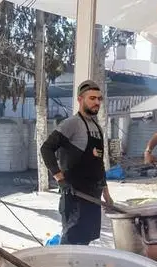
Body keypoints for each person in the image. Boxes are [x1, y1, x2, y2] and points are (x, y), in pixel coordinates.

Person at [39, 80, 113, 245]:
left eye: (99, 99)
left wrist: (106, 194)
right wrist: (60, 179)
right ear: (80, 99)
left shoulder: (97, 127)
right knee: (71, 242)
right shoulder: (71, 124)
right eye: (92, 98)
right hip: (74, 196)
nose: (97, 102)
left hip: (93, 196)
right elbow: (46, 148)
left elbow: (99, 164)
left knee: (85, 242)